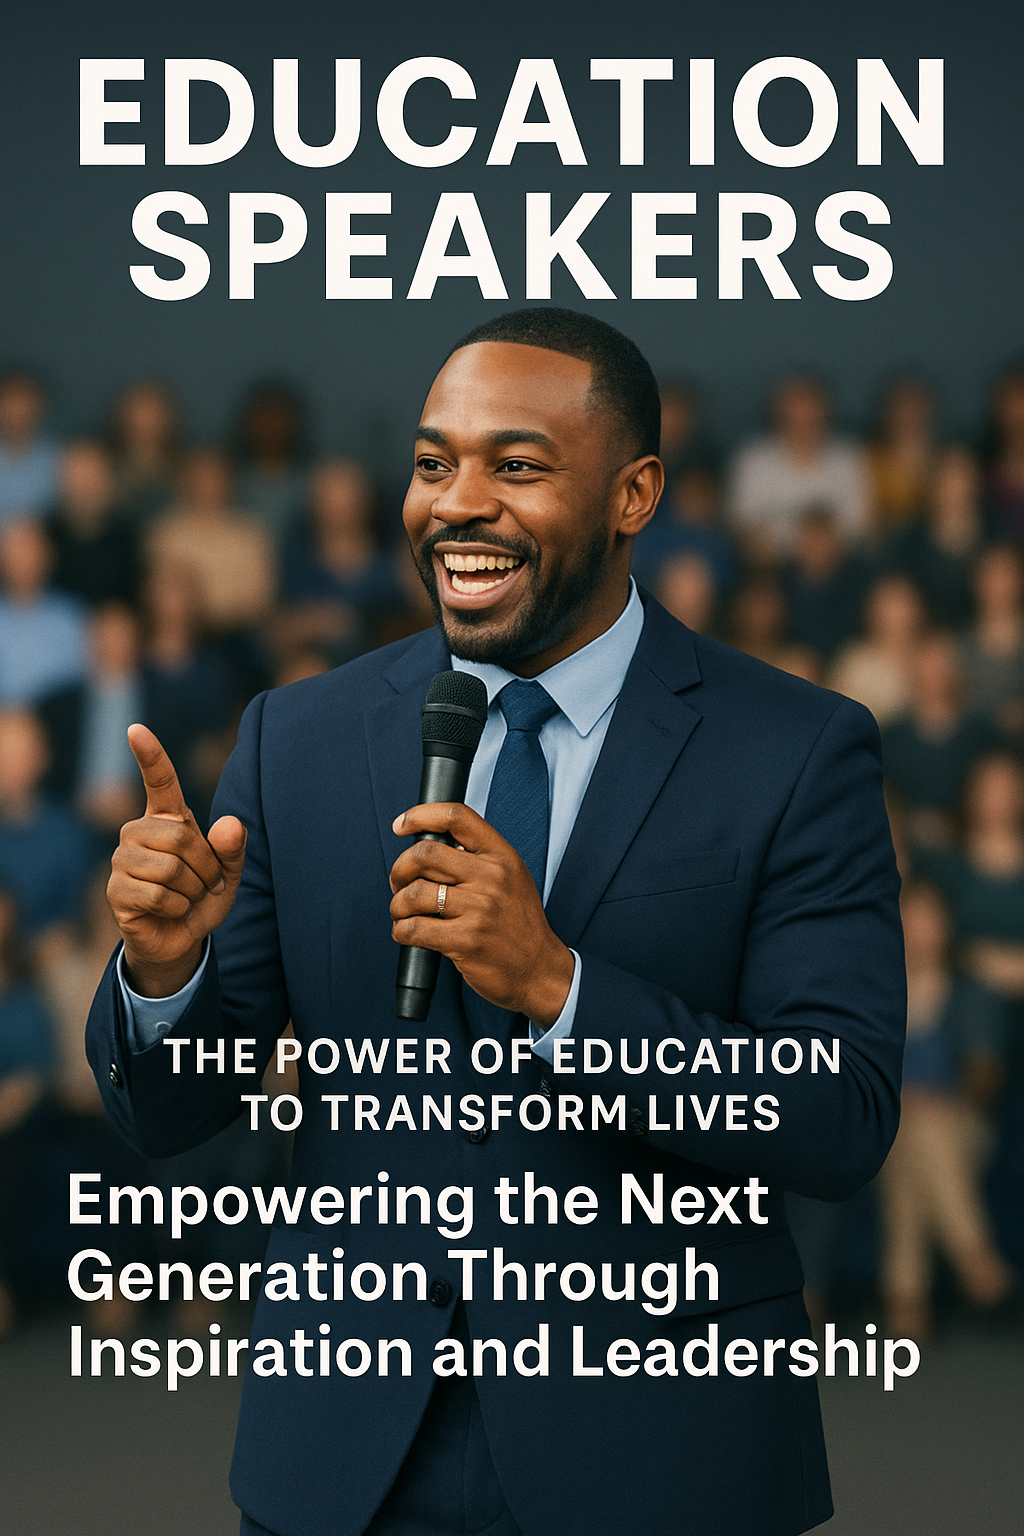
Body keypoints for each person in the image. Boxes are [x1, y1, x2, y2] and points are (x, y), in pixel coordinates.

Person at [87, 309, 905, 1536]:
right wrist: (165, 974)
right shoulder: (296, 739)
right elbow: (175, 1113)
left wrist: (563, 988)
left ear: (634, 494)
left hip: (664, 1458)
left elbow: (837, 1114)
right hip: (346, 1458)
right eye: (432, 463)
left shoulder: (794, 749)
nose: (455, 503)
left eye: (515, 466)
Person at [726, 375, 871, 562]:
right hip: (771, 564)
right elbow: (742, 524)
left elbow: (858, 527)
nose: (803, 417)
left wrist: (817, 542)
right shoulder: (752, 460)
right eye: (795, 408)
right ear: (778, 411)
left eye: (811, 407)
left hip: (837, 564)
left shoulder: (848, 457)